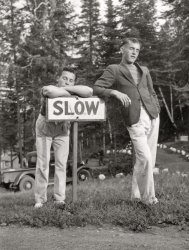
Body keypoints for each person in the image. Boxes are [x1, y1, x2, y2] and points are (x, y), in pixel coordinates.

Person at [93, 38, 160, 205]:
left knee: (146, 158)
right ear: (122, 49)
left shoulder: (144, 70)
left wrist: (156, 108)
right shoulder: (114, 69)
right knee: (145, 158)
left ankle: (136, 196)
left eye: (137, 50)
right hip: (134, 118)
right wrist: (115, 92)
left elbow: (151, 92)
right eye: (131, 49)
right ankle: (149, 199)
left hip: (152, 115)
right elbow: (97, 87)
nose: (134, 52)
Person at [34, 67, 93, 208]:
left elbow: (89, 92)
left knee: (61, 164)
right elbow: (48, 91)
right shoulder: (51, 88)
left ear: (74, 82)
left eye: (71, 80)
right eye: (64, 78)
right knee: (43, 164)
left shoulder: (72, 89)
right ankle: (40, 200)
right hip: (45, 127)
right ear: (59, 78)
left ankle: (59, 198)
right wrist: (69, 91)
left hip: (63, 128)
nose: (67, 82)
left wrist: (71, 89)